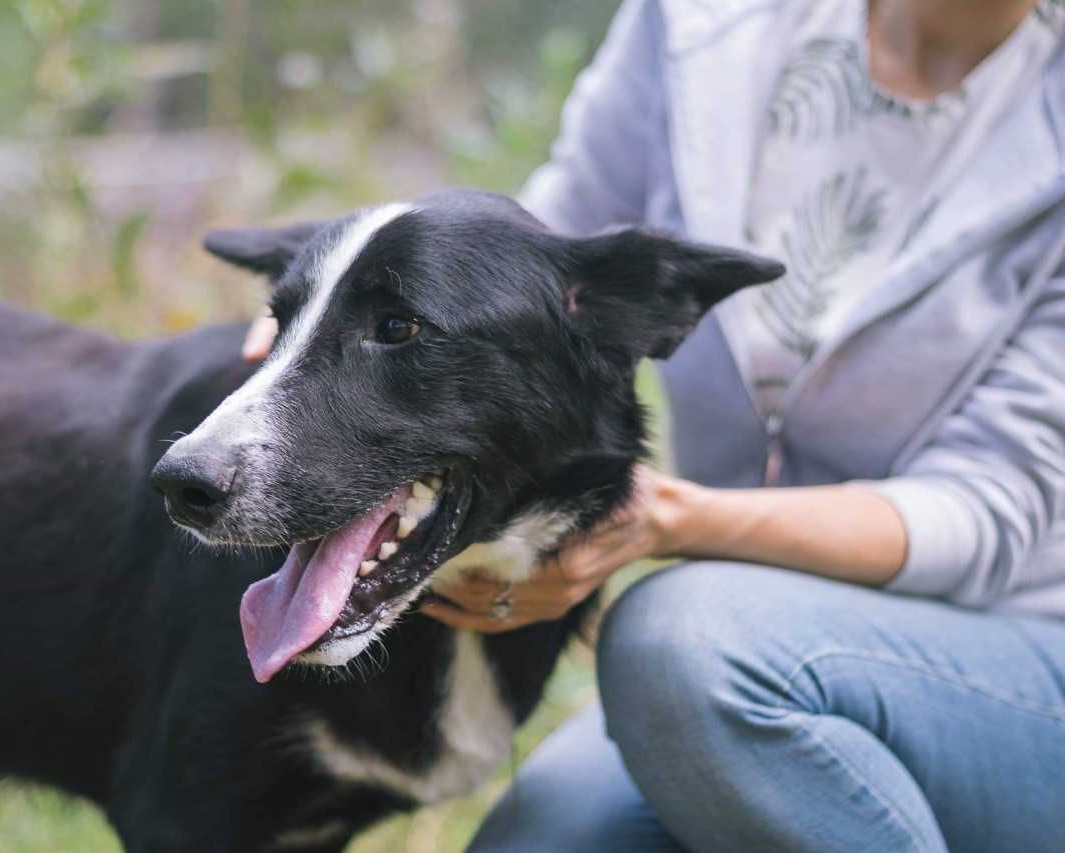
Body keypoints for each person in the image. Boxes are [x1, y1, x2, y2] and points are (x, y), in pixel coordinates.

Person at [243, 1, 1065, 849]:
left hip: (1017, 658)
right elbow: (537, 249)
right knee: (538, 841)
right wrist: (329, 325)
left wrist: (672, 520)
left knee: (676, 641)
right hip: (757, 642)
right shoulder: (701, 22)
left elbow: (988, 514)